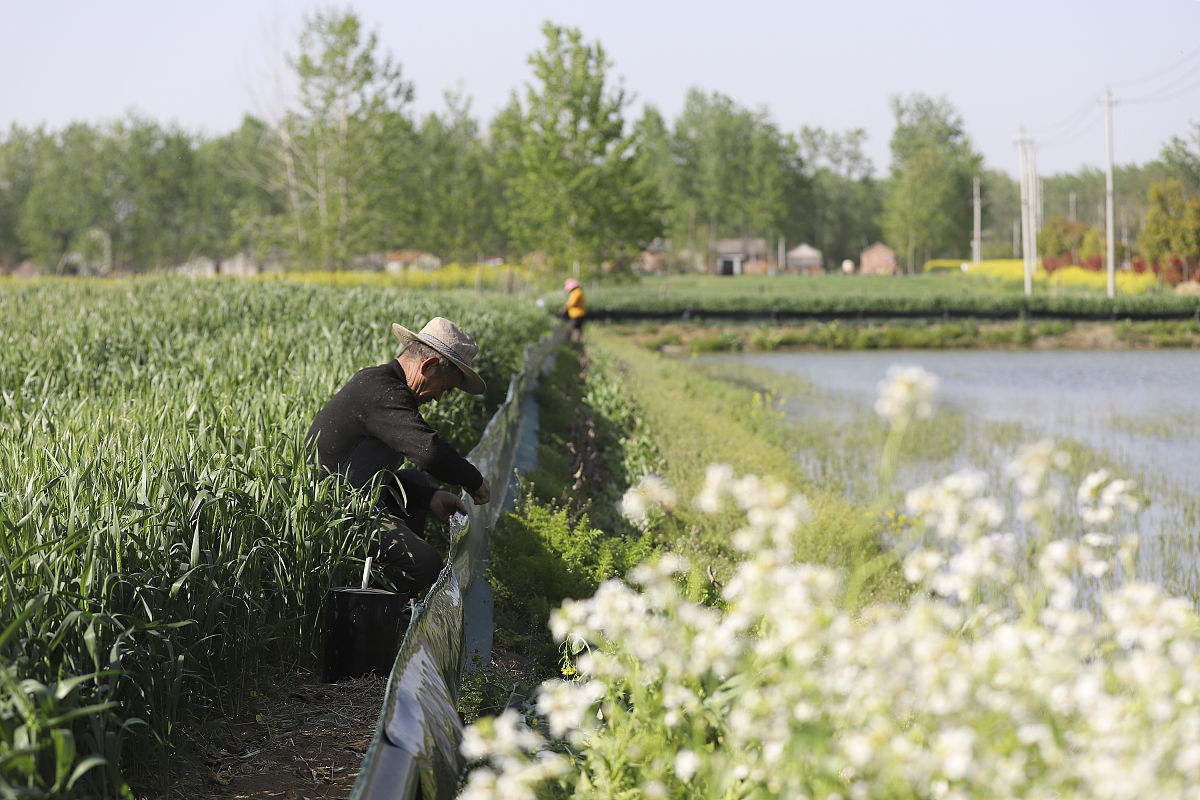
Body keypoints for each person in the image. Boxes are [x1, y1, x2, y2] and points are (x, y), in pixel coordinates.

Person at [307, 317, 492, 600]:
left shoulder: (382, 384)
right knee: (425, 564)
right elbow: (429, 452)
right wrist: (474, 481)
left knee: (414, 482)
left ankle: (394, 585)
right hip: (333, 511)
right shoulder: (384, 392)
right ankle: (367, 605)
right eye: (445, 388)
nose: (440, 398)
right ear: (428, 366)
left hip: (356, 493)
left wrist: (429, 496)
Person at [562, 278, 586, 342]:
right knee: (577, 329)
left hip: (576, 314)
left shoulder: (576, 292)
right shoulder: (578, 291)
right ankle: (577, 341)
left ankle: (575, 342)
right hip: (579, 313)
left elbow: (572, 303)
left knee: (574, 329)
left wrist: (565, 307)